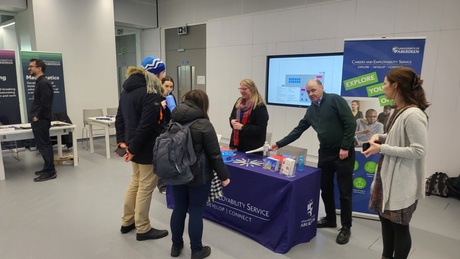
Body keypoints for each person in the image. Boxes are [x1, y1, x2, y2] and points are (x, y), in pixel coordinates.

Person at [271, 78, 356, 245]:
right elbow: (299, 130)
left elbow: (350, 123)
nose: (310, 94)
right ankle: (330, 219)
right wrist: (279, 143)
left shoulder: (334, 100)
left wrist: (345, 146)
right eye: (308, 91)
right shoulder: (311, 110)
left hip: (343, 153)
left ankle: (346, 227)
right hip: (325, 152)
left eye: (313, 90)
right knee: (325, 188)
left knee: (345, 191)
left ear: (322, 88)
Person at [363, 67, 429, 259]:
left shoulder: (414, 115)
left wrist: (381, 148)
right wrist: (380, 137)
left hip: (401, 181)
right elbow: (396, 138)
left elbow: (418, 150)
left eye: (385, 83)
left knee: (399, 227)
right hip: (386, 177)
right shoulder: (398, 111)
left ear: (396, 85)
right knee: (385, 221)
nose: (383, 88)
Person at [169, 89, 230, 259]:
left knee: (179, 209)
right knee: (196, 211)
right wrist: (224, 176)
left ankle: (176, 246)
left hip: (177, 173)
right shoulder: (204, 124)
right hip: (198, 175)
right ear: (203, 104)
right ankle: (196, 250)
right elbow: (215, 155)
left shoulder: (173, 120)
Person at [115, 64, 169, 241]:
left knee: (136, 182)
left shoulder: (127, 90)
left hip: (133, 144)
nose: (164, 76)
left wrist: (123, 143)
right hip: (145, 147)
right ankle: (143, 228)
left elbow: (120, 118)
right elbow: (146, 126)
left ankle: (127, 221)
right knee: (145, 187)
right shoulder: (151, 93)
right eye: (162, 73)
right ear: (156, 73)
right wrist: (133, 149)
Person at [29, 58, 57, 182]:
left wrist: (37, 116)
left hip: (41, 120)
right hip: (39, 120)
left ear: (39, 68)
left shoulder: (43, 83)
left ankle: (50, 171)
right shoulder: (39, 82)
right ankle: (47, 168)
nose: (29, 68)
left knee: (44, 146)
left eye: (32, 66)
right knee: (43, 145)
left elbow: (45, 104)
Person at [229, 79, 269, 153]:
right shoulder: (239, 102)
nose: (242, 91)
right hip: (237, 144)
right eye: (240, 88)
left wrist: (242, 127)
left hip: (252, 148)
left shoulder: (259, 106)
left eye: (244, 89)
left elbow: (260, 129)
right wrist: (232, 121)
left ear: (252, 89)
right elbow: (231, 117)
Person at [157, 75, 177, 194]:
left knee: (169, 157)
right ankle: (162, 185)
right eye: (166, 86)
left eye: (171, 87)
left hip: (169, 130)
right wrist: (161, 106)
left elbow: (173, 113)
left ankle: (168, 183)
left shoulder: (171, 97)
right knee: (161, 158)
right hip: (158, 131)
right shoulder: (155, 98)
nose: (169, 89)